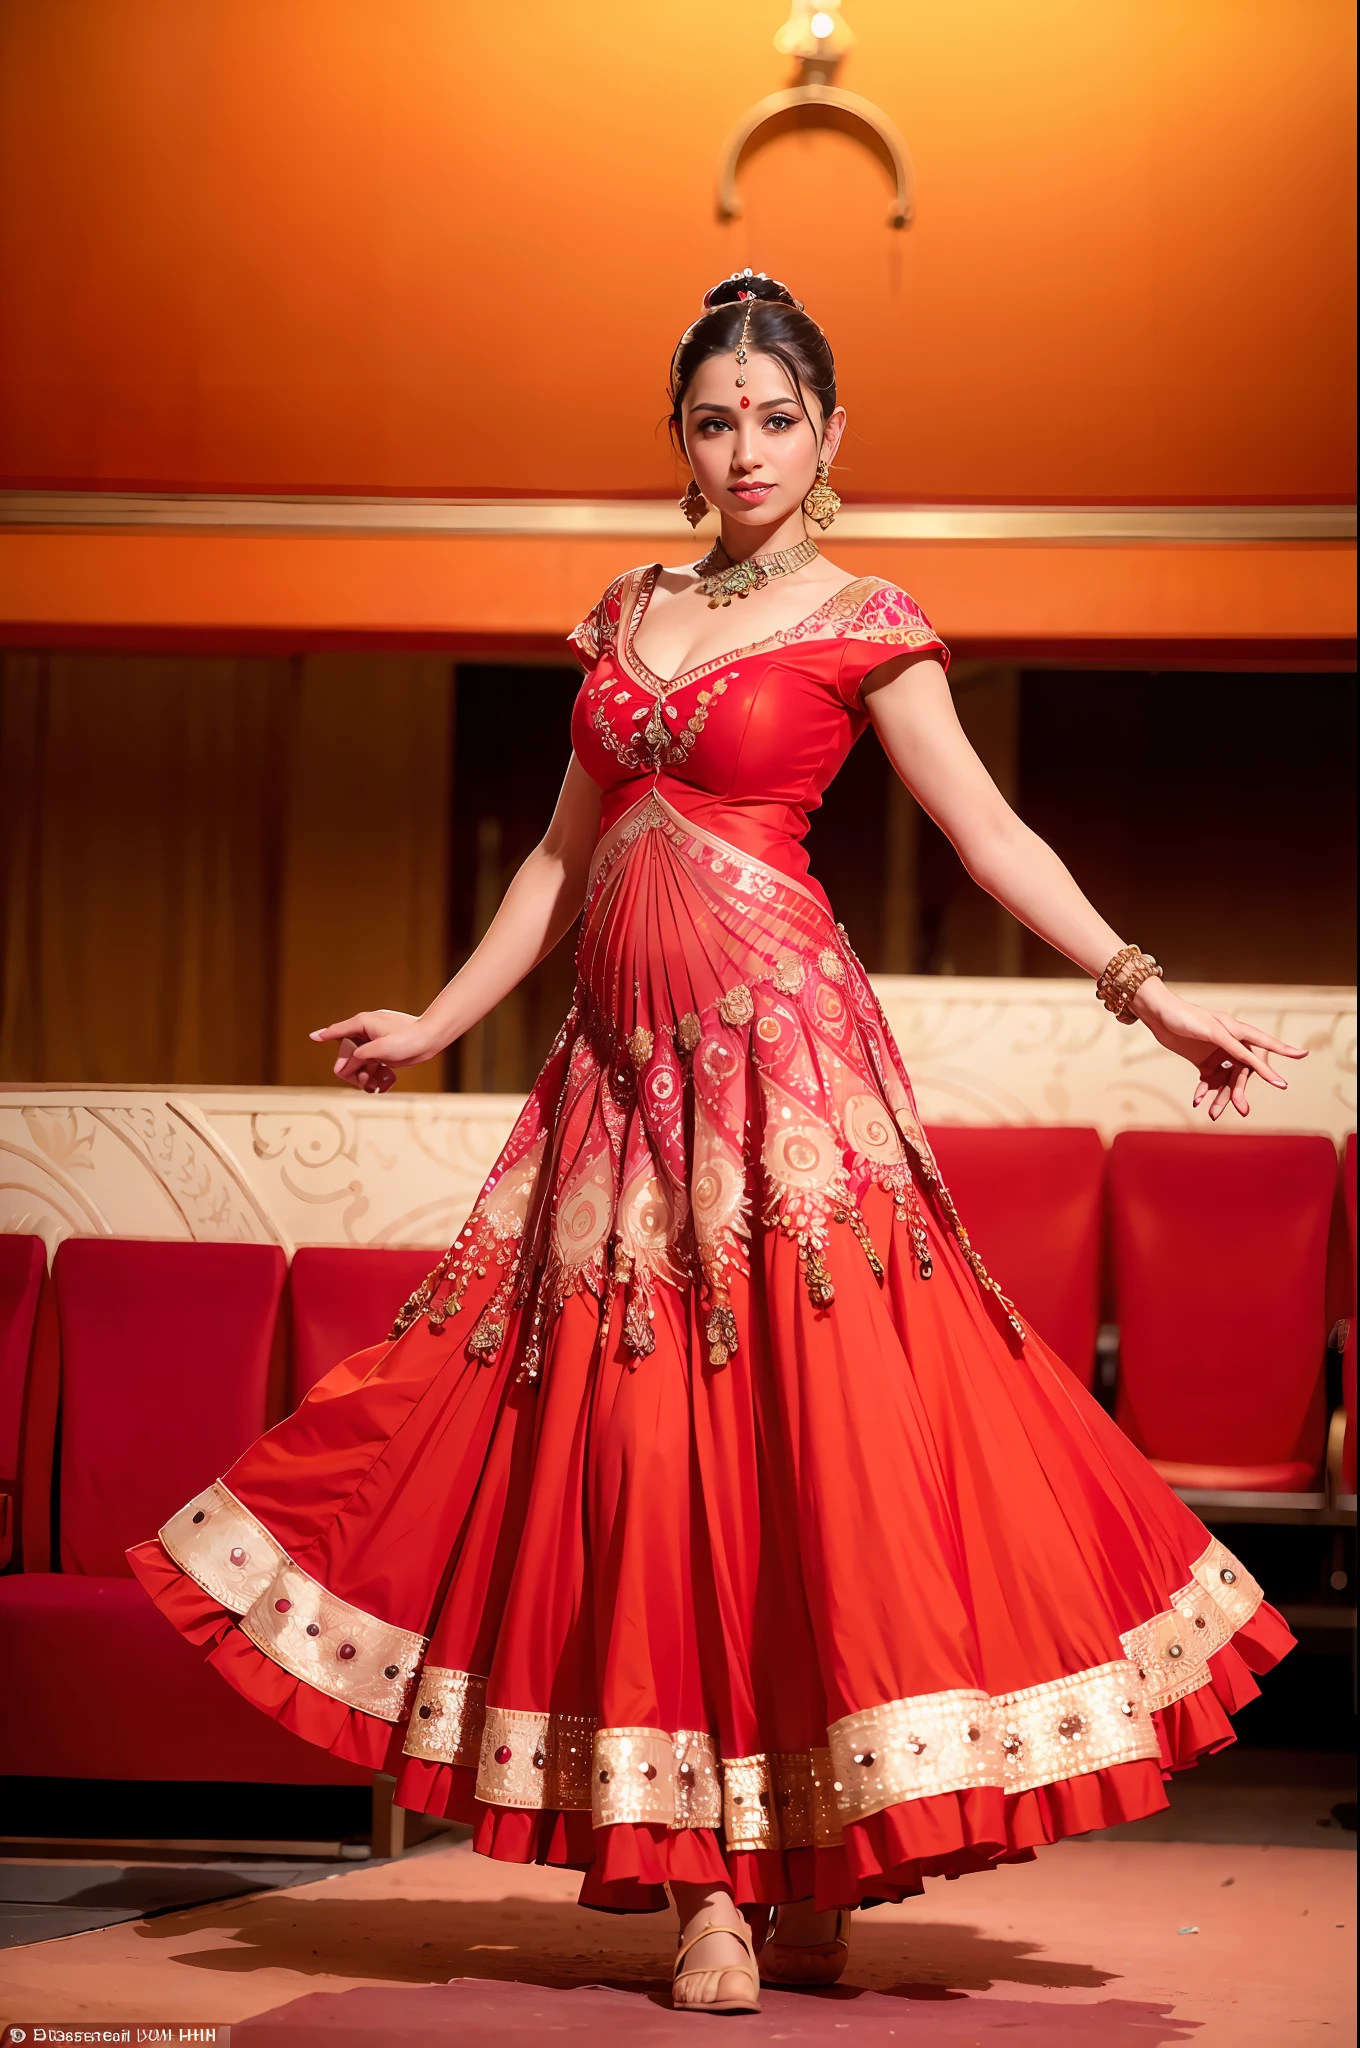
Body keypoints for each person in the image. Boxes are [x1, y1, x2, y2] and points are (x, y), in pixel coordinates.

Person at [129, 271, 1305, 2018]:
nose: (743, 445)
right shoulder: (625, 609)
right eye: (712, 416)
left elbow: (988, 834)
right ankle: (710, 1889)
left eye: (774, 414)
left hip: (790, 1096)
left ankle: (815, 1863)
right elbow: (555, 858)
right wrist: (442, 1019)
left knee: (810, 1465)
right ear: (680, 438)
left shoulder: (867, 620)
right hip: (620, 1094)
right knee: (647, 1465)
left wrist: (1149, 989)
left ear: (832, 434)